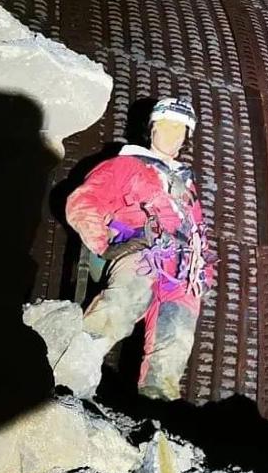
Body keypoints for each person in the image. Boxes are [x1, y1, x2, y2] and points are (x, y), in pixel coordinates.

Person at [64, 97, 214, 400]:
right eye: (166, 127)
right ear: (152, 129)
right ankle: (67, 372)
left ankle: (157, 403)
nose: (172, 135)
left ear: (186, 137)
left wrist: (204, 276)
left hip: (182, 270)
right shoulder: (126, 165)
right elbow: (83, 202)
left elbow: (197, 230)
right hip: (141, 250)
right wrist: (104, 245)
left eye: (179, 130)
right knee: (122, 304)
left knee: (176, 338)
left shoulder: (186, 184)